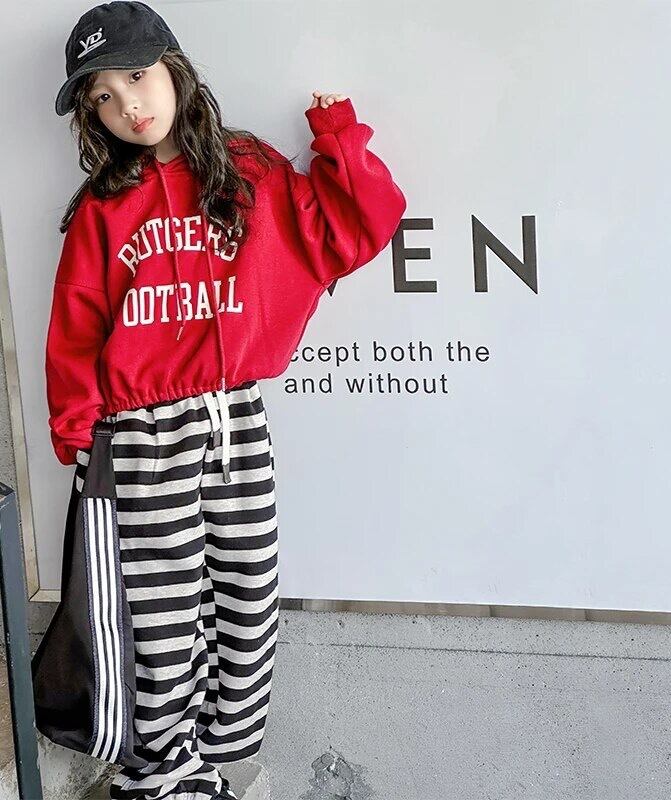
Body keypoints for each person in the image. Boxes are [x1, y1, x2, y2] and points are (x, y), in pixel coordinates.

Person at [46, 2, 407, 798]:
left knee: (249, 594)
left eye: (135, 76)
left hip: (236, 419)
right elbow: (76, 322)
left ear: (173, 68)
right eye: (103, 96)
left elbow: (357, 225)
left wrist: (338, 136)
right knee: (161, 617)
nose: (128, 104)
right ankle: (158, 770)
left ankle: (220, 756)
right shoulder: (104, 207)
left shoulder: (249, 171)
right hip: (141, 435)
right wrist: (77, 431)